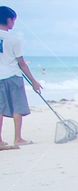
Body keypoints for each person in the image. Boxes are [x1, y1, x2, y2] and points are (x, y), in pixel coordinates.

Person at [0, 6, 40, 150]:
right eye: (13, 20)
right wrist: (34, 81)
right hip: (13, 76)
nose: (14, 23)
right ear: (8, 20)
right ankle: (18, 138)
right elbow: (21, 63)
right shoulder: (14, 39)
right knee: (17, 107)